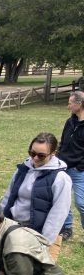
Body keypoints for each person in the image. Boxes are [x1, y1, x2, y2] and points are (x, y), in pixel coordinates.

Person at [1, 132, 77, 275]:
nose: (35, 158)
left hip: (44, 237)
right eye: (32, 152)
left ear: (53, 153)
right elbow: (8, 199)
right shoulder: (23, 170)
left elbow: (58, 214)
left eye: (41, 156)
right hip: (17, 231)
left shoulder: (60, 178)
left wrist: (40, 245)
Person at [57, 90, 84, 242]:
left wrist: (79, 167)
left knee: (81, 204)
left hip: (78, 171)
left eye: (70, 103)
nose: (68, 106)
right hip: (63, 167)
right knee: (63, 199)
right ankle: (67, 228)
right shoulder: (70, 121)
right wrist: (59, 158)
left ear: (79, 104)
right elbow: (63, 141)